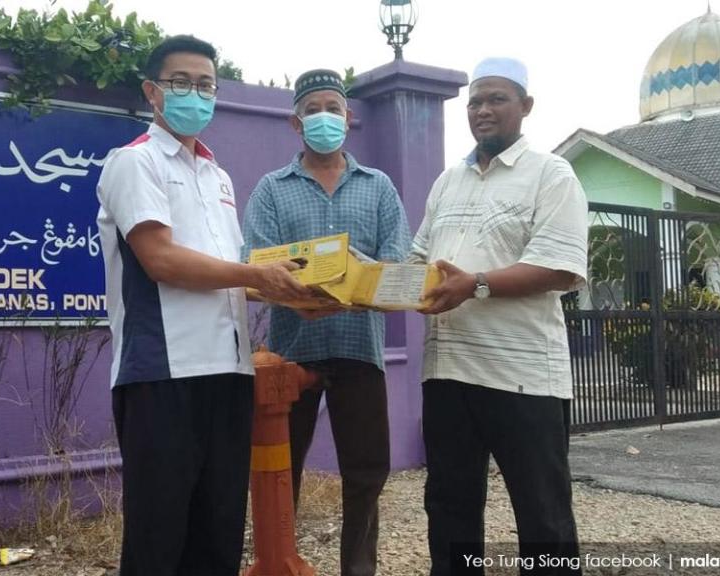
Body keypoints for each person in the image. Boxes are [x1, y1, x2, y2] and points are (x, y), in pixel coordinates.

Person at [95, 35, 311, 576]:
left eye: (206, 84)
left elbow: (230, 275)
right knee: (158, 537)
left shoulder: (217, 176)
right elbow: (161, 259)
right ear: (153, 92)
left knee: (217, 536)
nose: (197, 94)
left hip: (229, 373)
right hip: (162, 374)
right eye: (182, 83)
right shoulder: (133, 162)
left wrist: (291, 294)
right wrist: (255, 274)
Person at [409, 57, 588, 575]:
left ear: (525, 107)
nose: (482, 111)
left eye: (496, 99)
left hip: (523, 378)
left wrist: (475, 284)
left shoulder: (552, 175)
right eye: (474, 102)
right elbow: (420, 259)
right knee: (449, 506)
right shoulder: (448, 183)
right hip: (447, 374)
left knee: (542, 514)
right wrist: (363, 284)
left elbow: (558, 268)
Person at [242, 69, 412, 576]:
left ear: (349, 118)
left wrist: (359, 286)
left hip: (360, 347)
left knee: (366, 470)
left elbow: (397, 260)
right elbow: (257, 261)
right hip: (293, 352)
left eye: (333, 109)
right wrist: (302, 292)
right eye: (313, 109)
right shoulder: (272, 189)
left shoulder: (378, 187)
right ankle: (279, 559)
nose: (324, 118)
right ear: (296, 122)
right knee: (281, 468)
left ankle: (358, 568)